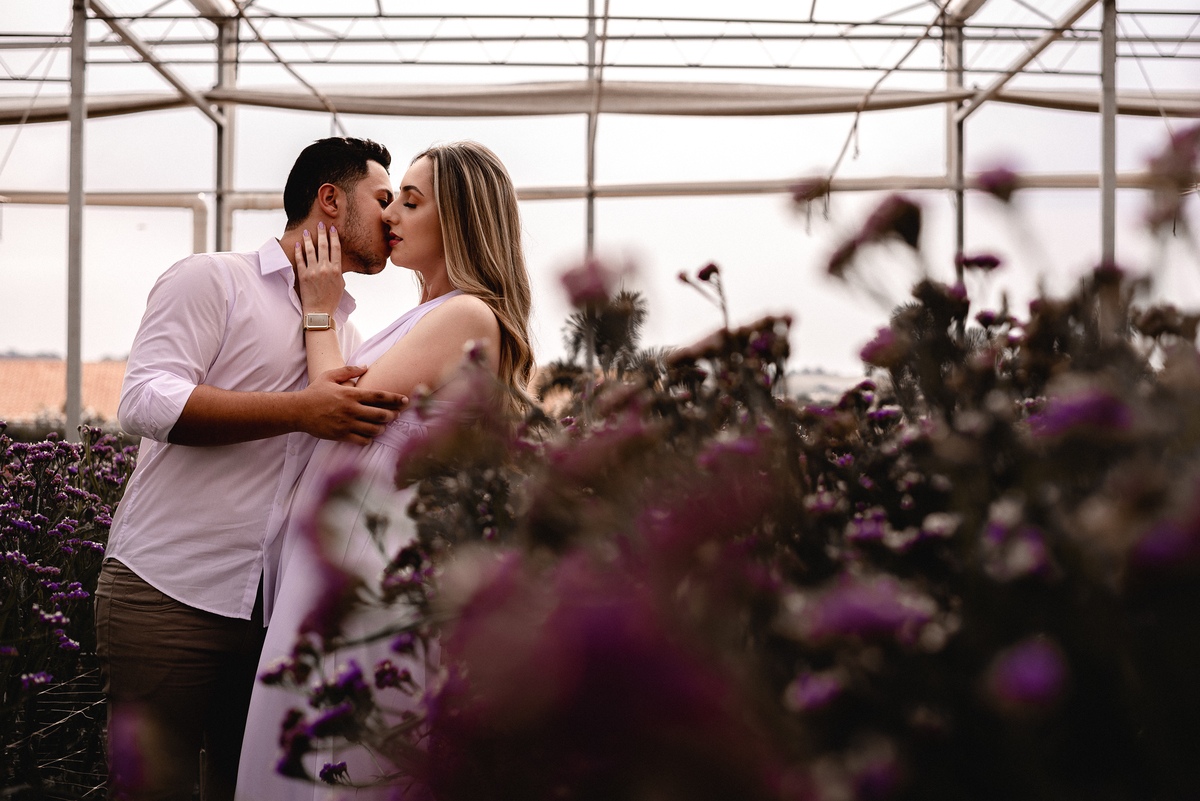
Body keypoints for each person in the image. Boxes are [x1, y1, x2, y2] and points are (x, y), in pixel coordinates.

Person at [96, 137, 409, 801]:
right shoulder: (214, 278)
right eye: (382, 199)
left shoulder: (346, 336)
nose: (392, 217)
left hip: (270, 618)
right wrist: (301, 410)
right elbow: (146, 401)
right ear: (330, 198)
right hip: (168, 592)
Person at [236, 141, 533, 801]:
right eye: (394, 195)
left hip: (370, 564)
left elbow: (336, 408)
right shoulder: (425, 314)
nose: (392, 211)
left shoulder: (466, 314)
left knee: (337, 754)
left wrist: (318, 303)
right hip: (349, 556)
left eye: (412, 200)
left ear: (458, 219)